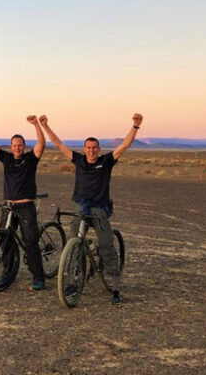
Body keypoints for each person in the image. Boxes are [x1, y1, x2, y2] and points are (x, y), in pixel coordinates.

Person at [39, 113, 143, 304]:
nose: (91, 150)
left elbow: (124, 145)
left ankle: (115, 285)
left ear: (98, 149)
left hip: (99, 209)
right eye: (88, 147)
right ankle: (74, 281)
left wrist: (136, 125)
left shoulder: (106, 161)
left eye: (94, 148)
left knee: (107, 246)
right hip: (81, 207)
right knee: (75, 246)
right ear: (84, 149)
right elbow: (58, 144)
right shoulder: (78, 160)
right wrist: (45, 126)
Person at [0, 116, 48, 291]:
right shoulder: (7, 158)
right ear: (11, 147)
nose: (17, 148)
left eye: (20, 145)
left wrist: (36, 125)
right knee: (6, 239)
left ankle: (38, 278)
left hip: (26, 207)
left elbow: (41, 144)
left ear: (24, 146)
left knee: (30, 242)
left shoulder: (30, 159)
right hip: (8, 206)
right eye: (14, 145)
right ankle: (8, 272)